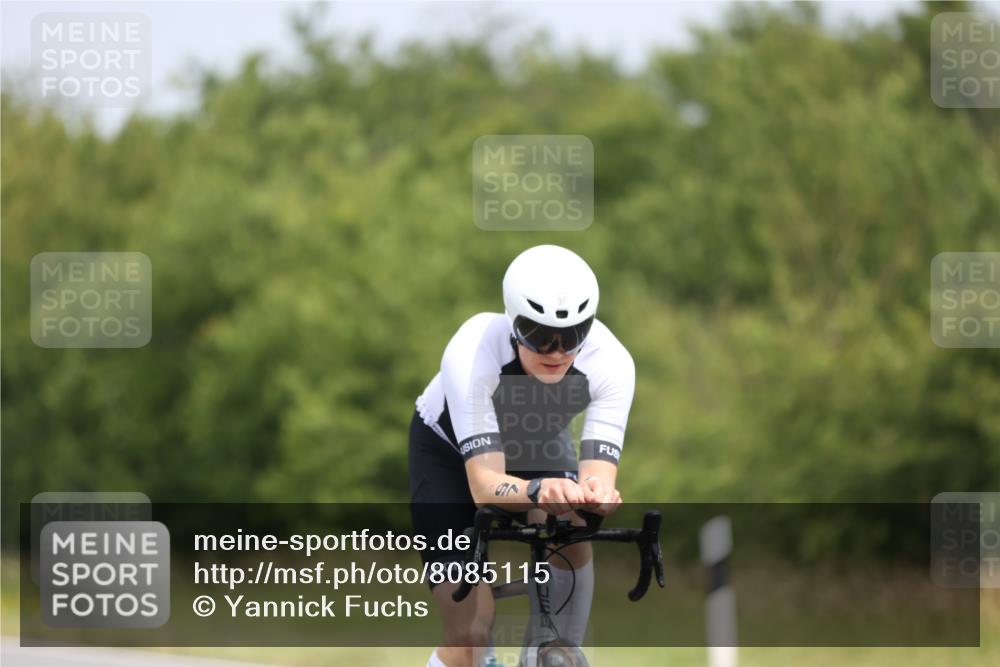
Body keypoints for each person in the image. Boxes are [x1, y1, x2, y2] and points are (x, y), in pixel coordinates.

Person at [409, 245, 636, 667]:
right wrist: (538, 489)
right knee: (470, 635)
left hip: (538, 446)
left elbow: (597, 478)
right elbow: (483, 486)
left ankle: (548, 652)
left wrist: (597, 496)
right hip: (448, 455)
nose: (556, 352)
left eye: (572, 337)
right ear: (513, 324)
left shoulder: (613, 363)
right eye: (538, 334)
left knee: (572, 523)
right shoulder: (474, 348)